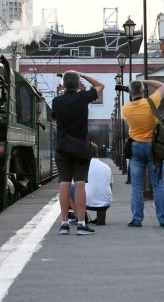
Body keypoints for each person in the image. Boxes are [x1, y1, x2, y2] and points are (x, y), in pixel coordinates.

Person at [52, 70, 104, 236]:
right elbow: (100, 85)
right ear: (79, 85)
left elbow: (54, 118)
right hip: (81, 148)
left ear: (63, 85)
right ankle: (81, 224)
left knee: (64, 184)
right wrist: (84, 75)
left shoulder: (56, 101)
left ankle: (64, 224)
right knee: (80, 184)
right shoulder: (83, 98)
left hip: (62, 148)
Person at [122, 79, 164, 228]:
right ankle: (163, 219)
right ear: (143, 91)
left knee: (136, 187)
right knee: (158, 185)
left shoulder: (126, 109)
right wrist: (144, 81)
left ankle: (136, 219)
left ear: (130, 92)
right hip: (153, 147)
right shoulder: (152, 101)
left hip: (136, 147)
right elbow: (163, 85)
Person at [68, 142, 113, 225]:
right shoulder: (107, 167)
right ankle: (100, 215)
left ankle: (80, 217)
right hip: (106, 202)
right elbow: (110, 186)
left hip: (87, 202)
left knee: (68, 189)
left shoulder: (81, 166)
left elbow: (76, 186)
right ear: (97, 152)